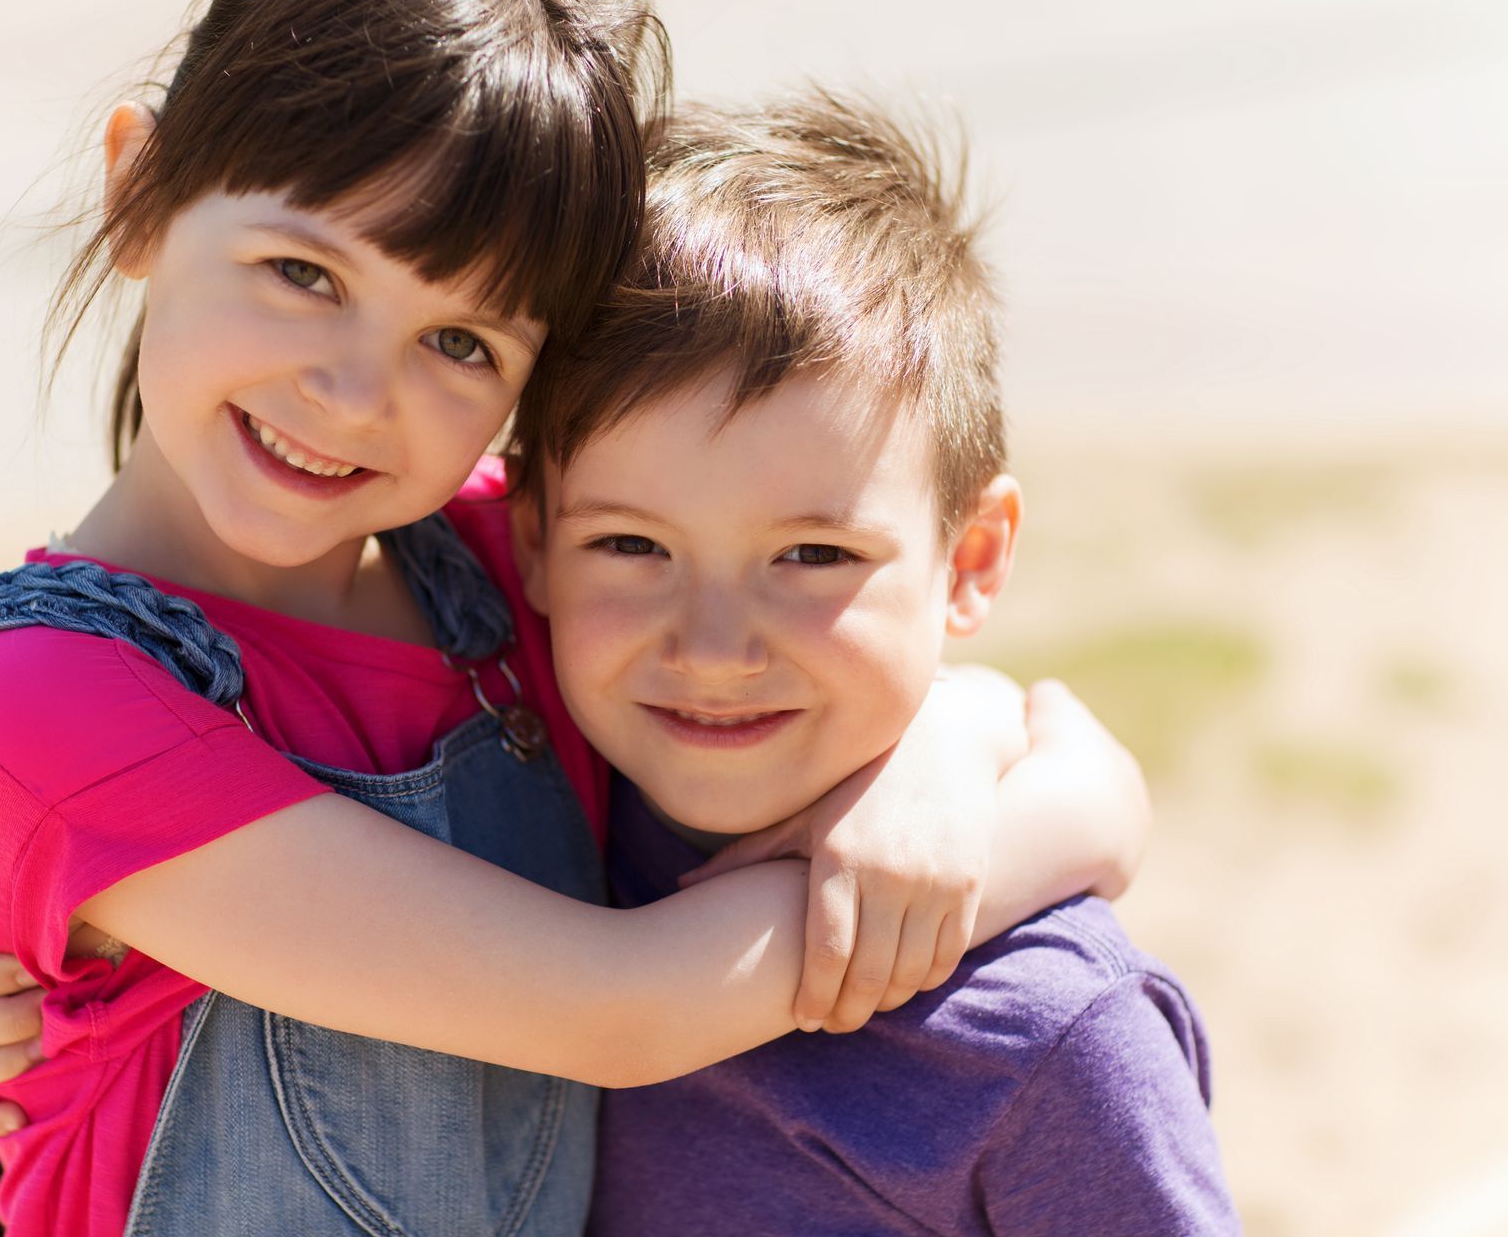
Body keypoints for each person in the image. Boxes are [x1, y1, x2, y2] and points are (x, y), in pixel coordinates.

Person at [0, 0, 1153, 1233]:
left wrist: (944, 749)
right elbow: (616, 1007)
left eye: (460, 343)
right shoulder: (46, 701)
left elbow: (1092, 774)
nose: (355, 393)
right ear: (141, 192)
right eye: (304, 272)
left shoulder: (514, 560)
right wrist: (947, 877)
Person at [502, 91, 1238, 1233]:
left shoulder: (1050, 1039)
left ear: (971, 558)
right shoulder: (516, 831)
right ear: (533, 538)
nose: (711, 646)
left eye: (811, 553)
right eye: (631, 544)